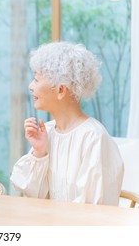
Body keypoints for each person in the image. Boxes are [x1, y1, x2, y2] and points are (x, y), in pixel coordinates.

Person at [10, 41, 124, 206]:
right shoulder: (47, 131)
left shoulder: (93, 137)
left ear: (61, 90)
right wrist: (39, 152)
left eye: (36, 79)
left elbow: (92, 211)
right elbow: (33, 195)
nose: (30, 86)